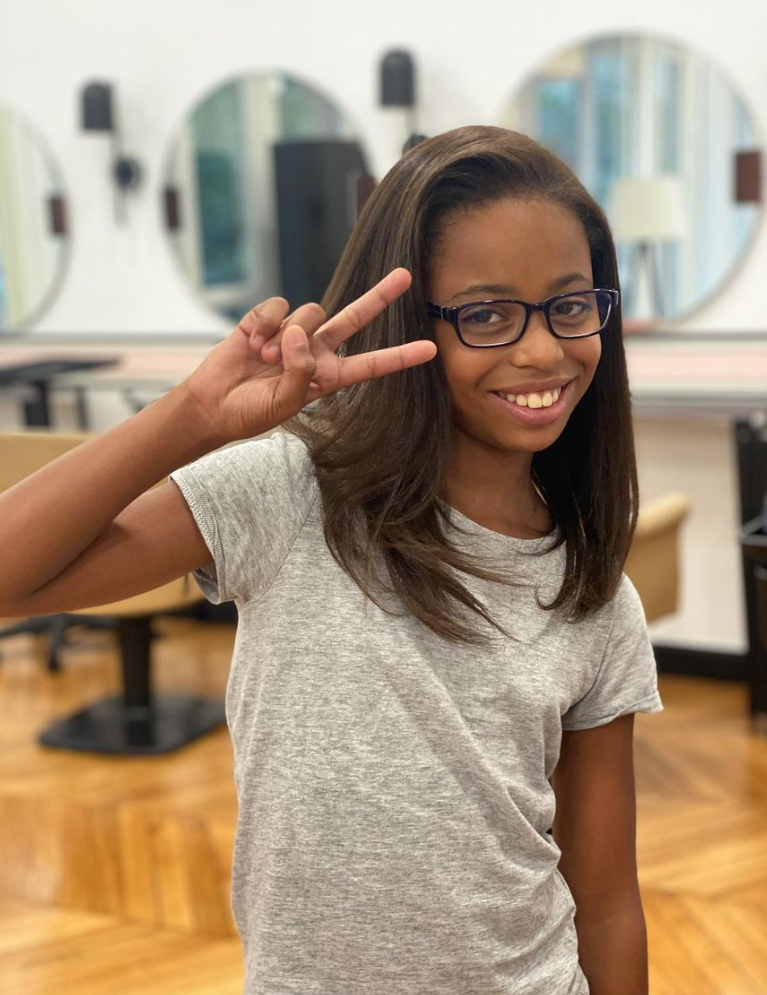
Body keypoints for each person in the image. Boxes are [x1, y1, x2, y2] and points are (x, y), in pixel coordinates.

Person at [0, 125, 663, 995]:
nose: (542, 350)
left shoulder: (595, 596)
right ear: (408, 323)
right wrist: (192, 416)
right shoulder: (291, 493)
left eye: (570, 306)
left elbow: (607, 903)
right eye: (486, 315)